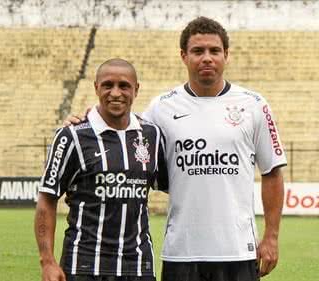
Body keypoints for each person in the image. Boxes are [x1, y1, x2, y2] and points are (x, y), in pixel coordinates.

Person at [66, 17, 287, 281]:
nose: (207, 58)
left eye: (214, 51)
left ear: (226, 55)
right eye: (197, 51)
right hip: (181, 251)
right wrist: (86, 120)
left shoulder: (254, 105)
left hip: (238, 251)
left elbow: (272, 172)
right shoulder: (162, 108)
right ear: (184, 56)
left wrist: (271, 237)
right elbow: (123, 128)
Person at [34, 58, 168, 281]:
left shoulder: (151, 136)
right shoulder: (72, 136)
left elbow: (174, 185)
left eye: (124, 86)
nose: (115, 93)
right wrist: (47, 261)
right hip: (84, 266)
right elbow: (47, 200)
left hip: (138, 267)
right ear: (96, 87)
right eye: (108, 85)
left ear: (136, 89)